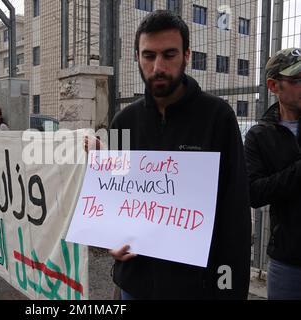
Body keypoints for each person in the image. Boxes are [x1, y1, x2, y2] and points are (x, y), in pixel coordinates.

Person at [89, 10, 251, 299]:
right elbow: (112, 203)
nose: (158, 66)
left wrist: (229, 286)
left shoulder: (218, 117)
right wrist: (109, 237)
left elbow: (234, 211)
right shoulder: (123, 121)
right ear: (137, 56)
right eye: (149, 55)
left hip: (194, 288)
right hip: (134, 284)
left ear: (187, 55)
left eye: (169, 54)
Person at [244, 48, 301, 300]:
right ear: (273, 85)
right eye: (296, 80)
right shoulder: (260, 135)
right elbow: (253, 193)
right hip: (288, 260)